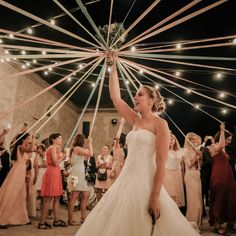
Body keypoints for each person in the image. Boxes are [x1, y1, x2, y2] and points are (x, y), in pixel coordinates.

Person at [75, 53, 200, 236]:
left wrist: (155, 196)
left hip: (146, 181)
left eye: (140, 94)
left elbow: (161, 164)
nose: (135, 97)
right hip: (125, 178)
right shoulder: (134, 120)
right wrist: (113, 66)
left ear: (152, 101)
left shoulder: (160, 124)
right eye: (135, 94)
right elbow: (116, 98)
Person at [0, 133, 35, 228]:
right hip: (17, 172)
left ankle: (23, 218)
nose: (29, 140)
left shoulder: (23, 147)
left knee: (21, 195)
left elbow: (32, 151)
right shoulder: (20, 147)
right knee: (12, 194)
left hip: (21, 172)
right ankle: (2, 220)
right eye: (27, 139)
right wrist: (34, 137)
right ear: (23, 139)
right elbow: (31, 149)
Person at [208, 123, 236, 235]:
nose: (230, 141)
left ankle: (231, 222)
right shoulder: (214, 147)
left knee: (232, 198)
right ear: (222, 138)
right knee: (219, 198)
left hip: (228, 176)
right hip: (219, 176)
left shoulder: (225, 150)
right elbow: (221, 145)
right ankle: (217, 225)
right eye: (228, 139)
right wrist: (223, 130)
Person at [38, 133, 66, 229]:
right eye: (59, 138)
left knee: (57, 198)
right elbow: (55, 162)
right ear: (53, 140)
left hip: (56, 173)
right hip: (52, 173)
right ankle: (41, 223)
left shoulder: (56, 148)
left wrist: (63, 156)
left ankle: (56, 220)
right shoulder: (52, 148)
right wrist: (63, 156)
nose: (61, 140)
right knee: (48, 199)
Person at [67, 134, 93, 226]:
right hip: (77, 175)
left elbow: (86, 156)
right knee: (74, 196)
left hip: (78, 174)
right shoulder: (77, 148)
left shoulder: (76, 149)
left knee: (85, 195)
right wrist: (90, 143)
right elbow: (91, 153)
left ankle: (83, 218)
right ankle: (70, 220)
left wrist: (87, 146)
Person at [163, 133, 185, 207]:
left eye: (172, 139)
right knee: (170, 194)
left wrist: (183, 176)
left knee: (177, 194)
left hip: (177, 174)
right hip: (167, 174)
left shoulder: (180, 151)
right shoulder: (163, 151)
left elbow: (182, 165)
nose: (170, 141)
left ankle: (176, 212)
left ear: (175, 140)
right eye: (168, 139)